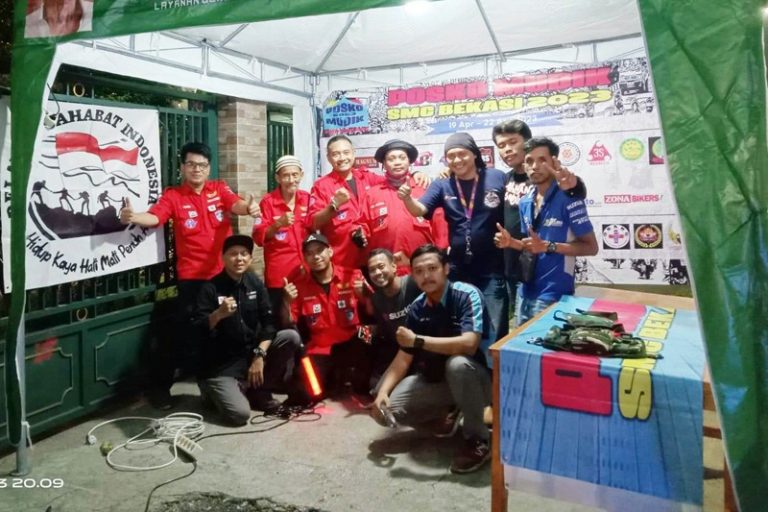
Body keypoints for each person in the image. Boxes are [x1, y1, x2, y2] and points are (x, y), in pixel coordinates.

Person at [119, 141, 261, 408]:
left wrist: (249, 208)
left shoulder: (219, 189)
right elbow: (155, 217)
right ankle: (161, 388)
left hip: (223, 277)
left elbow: (236, 204)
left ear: (209, 168)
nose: (197, 169)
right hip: (192, 280)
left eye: (202, 165)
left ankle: (221, 381)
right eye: (191, 164)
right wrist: (134, 217)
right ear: (183, 167)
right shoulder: (173, 196)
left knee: (227, 329)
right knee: (183, 334)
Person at [370, 244, 492, 474]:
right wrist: (382, 392)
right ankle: (446, 413)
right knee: (387, 409)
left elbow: (469, 344)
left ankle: (478, 440)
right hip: (440, 381)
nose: (426, 276)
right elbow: (404, 356)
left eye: (432, 268)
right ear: (412, 275)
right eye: (419, 271)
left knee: (457, 365)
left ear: (446, 268)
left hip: (480, 378)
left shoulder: (466, 294)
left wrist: (418, 340)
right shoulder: (416, 308)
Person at [399, 132, 507, 355]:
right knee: (458, 326)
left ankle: (490, 373)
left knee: (493, 332)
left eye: (462, 154)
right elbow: (420, 210)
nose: (457, 160)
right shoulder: (443, 184)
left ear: (474, 154)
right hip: (458, 269)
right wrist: (407, 199)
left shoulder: (497, 177)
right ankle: (461, 369)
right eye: (451, 156)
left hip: (491, 268)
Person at [194, 235, 301, 424]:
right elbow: (197, 330)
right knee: (239, 415)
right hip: (222, 364)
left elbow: (269, 323)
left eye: (244, 254)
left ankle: (258, 391)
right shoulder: (210, 288)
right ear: (223, 258)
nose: (239, 258)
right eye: (233, 254)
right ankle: (211, 391)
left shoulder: (255, 283)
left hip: (250, 354)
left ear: (250, 259)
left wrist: (259, 355)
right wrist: (218, 314)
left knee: (290, 337)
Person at [494, 137, 598, 325]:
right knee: (521, 342)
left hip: (554, 294)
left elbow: (591, 247)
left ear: (554, 163)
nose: (535, 166)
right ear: (524, 166)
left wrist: (549, 246)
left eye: (542, 160)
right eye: (529, 161)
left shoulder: (569, 198)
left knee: (546, 344)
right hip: (524, 291)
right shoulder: (525, 201)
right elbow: (533, 246)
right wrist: (511, 243)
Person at [308, 135, 431, 269]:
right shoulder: (321, 186)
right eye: (336, 154)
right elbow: (313, 223)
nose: (342, 158)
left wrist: (415, 174)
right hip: (344, 261)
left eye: (346, 152)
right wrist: (334, 205)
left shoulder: (368, 178)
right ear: (328, 158)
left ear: (353, 153)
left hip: (375, 261)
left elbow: (395, 178)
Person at [283, 233, 372, 398]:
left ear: (330, 251)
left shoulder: (354, 275)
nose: (315, 256)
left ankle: (350, 375)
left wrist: (364, 296)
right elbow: (288, 321)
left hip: (353, 340)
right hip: (320, 348)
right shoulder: (299, 286)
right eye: (309, 253)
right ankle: (333, 378)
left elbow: (374, 312)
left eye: (319, 250)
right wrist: (286, 301)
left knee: (365, 385)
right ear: (305, 258)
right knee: (306, 393)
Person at [360, 140, 448, 274]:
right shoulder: (371, 194)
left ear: (409, 161)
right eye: (391, 159)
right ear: (384, 164)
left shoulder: (425, 188)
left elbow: (440, 227)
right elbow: (362, 226)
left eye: (402, 158)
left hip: (424, 269)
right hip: (388, 273)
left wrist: (441, 259)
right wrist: (359, 232)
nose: (397, 162)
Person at [252, 155, 311, 316]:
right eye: (286, 175)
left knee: (308, 319)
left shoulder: (308, 199)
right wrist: (278, 224)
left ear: (301, 175)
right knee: (281, 320)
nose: (291, 180)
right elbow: (258, 238)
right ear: (277, 178)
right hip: (280, 277)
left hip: (306, 274)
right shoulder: (267, 202)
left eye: (295, 175)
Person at [366, 248, 422, 390]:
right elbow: (386, 334)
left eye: (381, 266)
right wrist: (368, 333)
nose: (377, 273)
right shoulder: (376, 299)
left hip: (424, 347)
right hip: (400, 352)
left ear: (394, 267)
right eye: (372, 270)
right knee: (375, 386)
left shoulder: (413, 283)